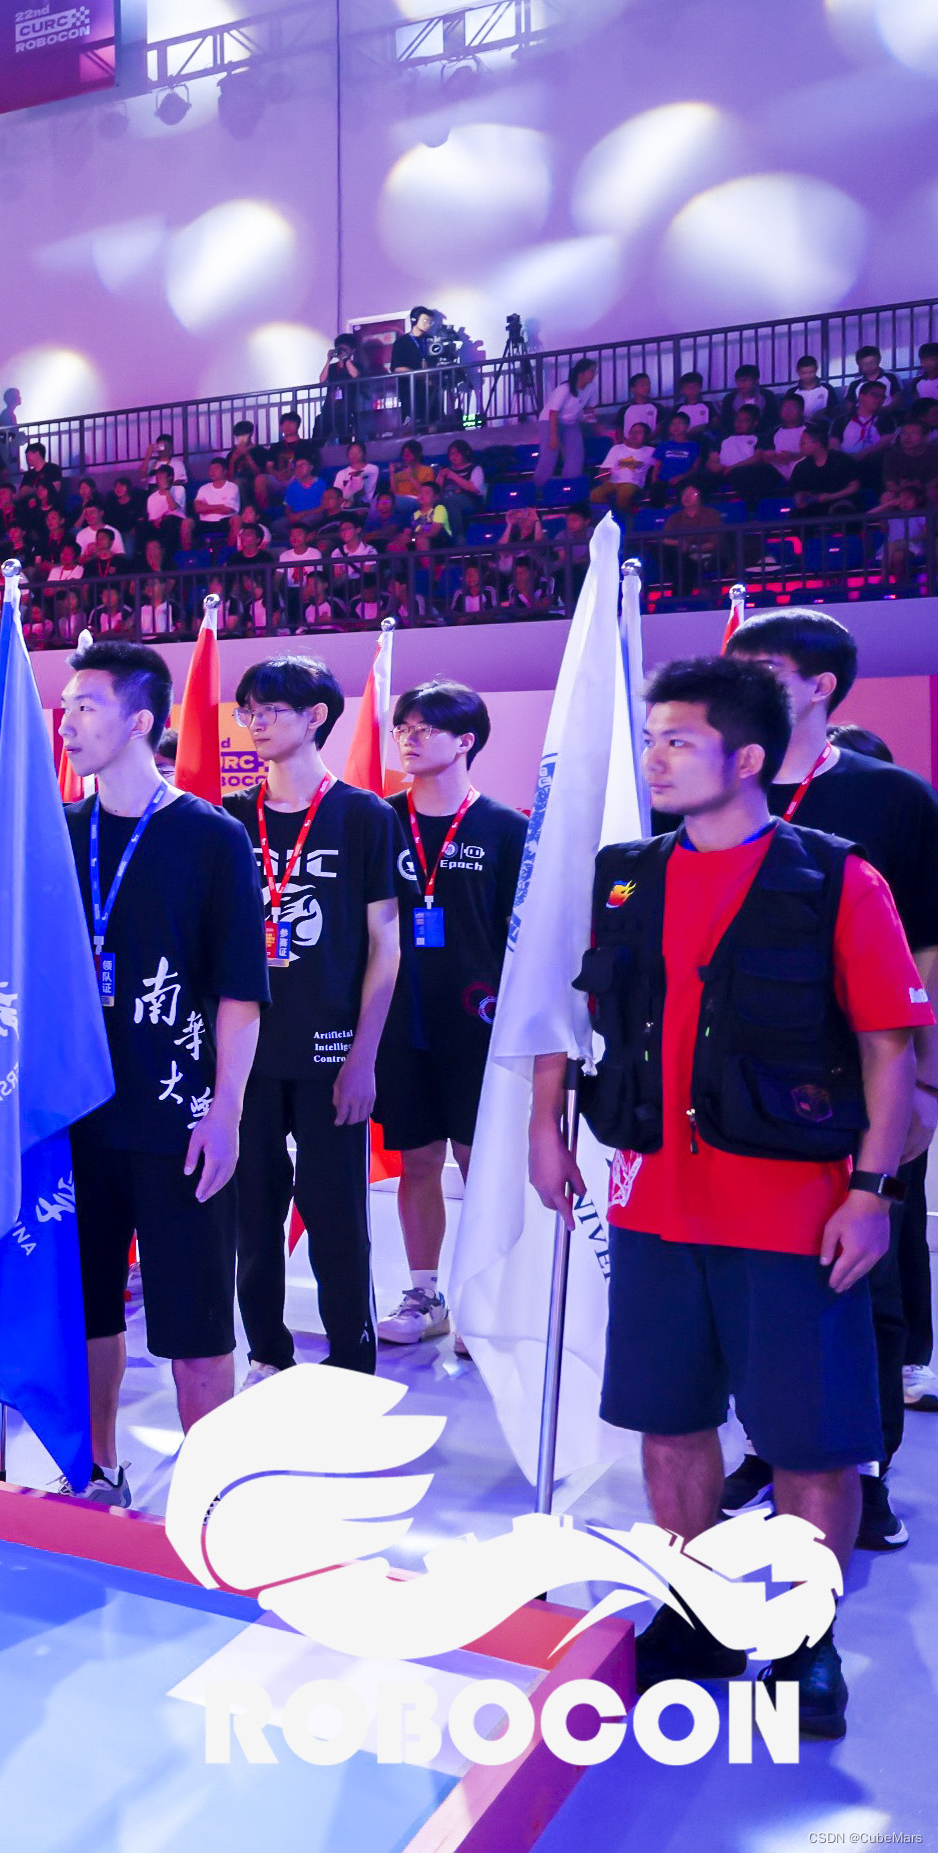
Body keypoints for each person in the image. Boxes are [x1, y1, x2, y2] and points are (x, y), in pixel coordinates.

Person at [539, 656, 927, 1739]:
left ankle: (805, 1648)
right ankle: (700, 1614)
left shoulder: (836, 879)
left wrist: (870, 1192)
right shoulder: (625, 876)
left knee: (809, 1443)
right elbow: (573, 1016)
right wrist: (541, 1126)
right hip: (651, 1207)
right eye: (651, 738)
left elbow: (888, 1050)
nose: (655, 758)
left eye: (679, 740)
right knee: (669, 1425)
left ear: (746, 757)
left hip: (794, 1217)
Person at [714, 608, 938, 1552]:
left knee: (865, 1281)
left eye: (761, 667)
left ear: (820, 687)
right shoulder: (712, 786)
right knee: (752, 1278)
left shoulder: (894, 799)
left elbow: (927, 948)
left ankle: (867, 1468)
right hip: (733, 1083)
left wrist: (924, 1085)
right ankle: (771, 1450)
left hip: (863, 1079)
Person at [59, 639, 265, 1505]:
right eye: (65, 708)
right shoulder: (56, 833)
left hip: (178, 1117)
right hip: (73, 1117)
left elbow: (240, 994)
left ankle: (212, 1495)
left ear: (141, 720)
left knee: (195, 1321)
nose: (67, 725)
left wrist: (227, 1113)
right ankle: (96, 1467)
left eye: (87, 708)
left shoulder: (211, 837)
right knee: (87, 1308)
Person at [222, 655, 402, 1378]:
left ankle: (353, 1361)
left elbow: (386, 945)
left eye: (270, 710)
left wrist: (363, 1058)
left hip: (331, 1052)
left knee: (337, 1218)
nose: (256, 723)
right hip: (247, 1055)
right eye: (249, 711)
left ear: (316, 716)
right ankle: (267, 1354)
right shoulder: (229, 817)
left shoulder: (365, 816)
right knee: (252, 1216)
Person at [373, 681, 527, 1348]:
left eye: (425, 728)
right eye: (403, 727)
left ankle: (483, 1301)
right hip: (398, 1021)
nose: (409, 738)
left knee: (479, 1163)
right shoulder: (378, 820)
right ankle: (425, 1294)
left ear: (466, 741)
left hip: (479, 1024)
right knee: (417, 1160)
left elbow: (522, 937)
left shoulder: (505, 828)